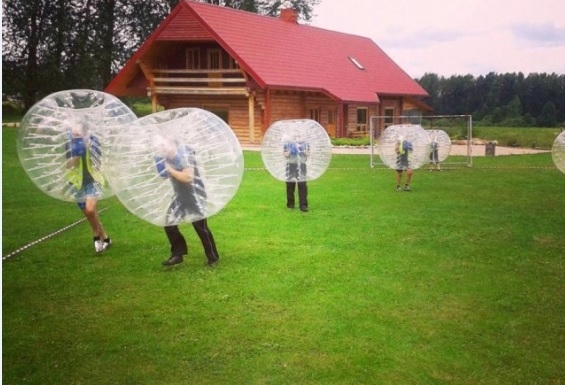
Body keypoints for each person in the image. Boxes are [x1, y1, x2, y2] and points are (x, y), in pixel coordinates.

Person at [154, 135, 219, 267]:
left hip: (196, 195)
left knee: (200, 227)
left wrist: (170, 169)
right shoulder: (163, 159)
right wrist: (163, 167)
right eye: (160, 146)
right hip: (179, 195)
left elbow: (187, 178)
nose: (161, 149)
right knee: (169, 223)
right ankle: (178, 254)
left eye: (163, 146)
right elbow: (164, 176)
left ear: (173, 146)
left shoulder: (185, 156)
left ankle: (213, 257)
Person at [65, 124, 111, 253]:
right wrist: (77, 155)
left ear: (84, 132)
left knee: (91, 210)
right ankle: (106, 239)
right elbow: (68, 166)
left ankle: (96, 238)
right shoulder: (69, 144)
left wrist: (90, 150)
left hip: (93, 181)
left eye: (78, 133)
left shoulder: (94, 142)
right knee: (90, 215)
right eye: (74, 133)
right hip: (76, 184)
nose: (75, 134)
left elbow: (98, 163)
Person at [283, 136, 310, 212]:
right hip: (290, 164)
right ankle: (290, 204)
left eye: (298, 135)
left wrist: (304, 151)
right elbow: (285, 155)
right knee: (290, 185)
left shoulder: (305, 143)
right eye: (295, 135)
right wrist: (288, 152)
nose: (296, 137)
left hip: (301, 164)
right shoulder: (287, 143)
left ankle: (303, 205)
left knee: (302, 185)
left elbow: (308, 154)